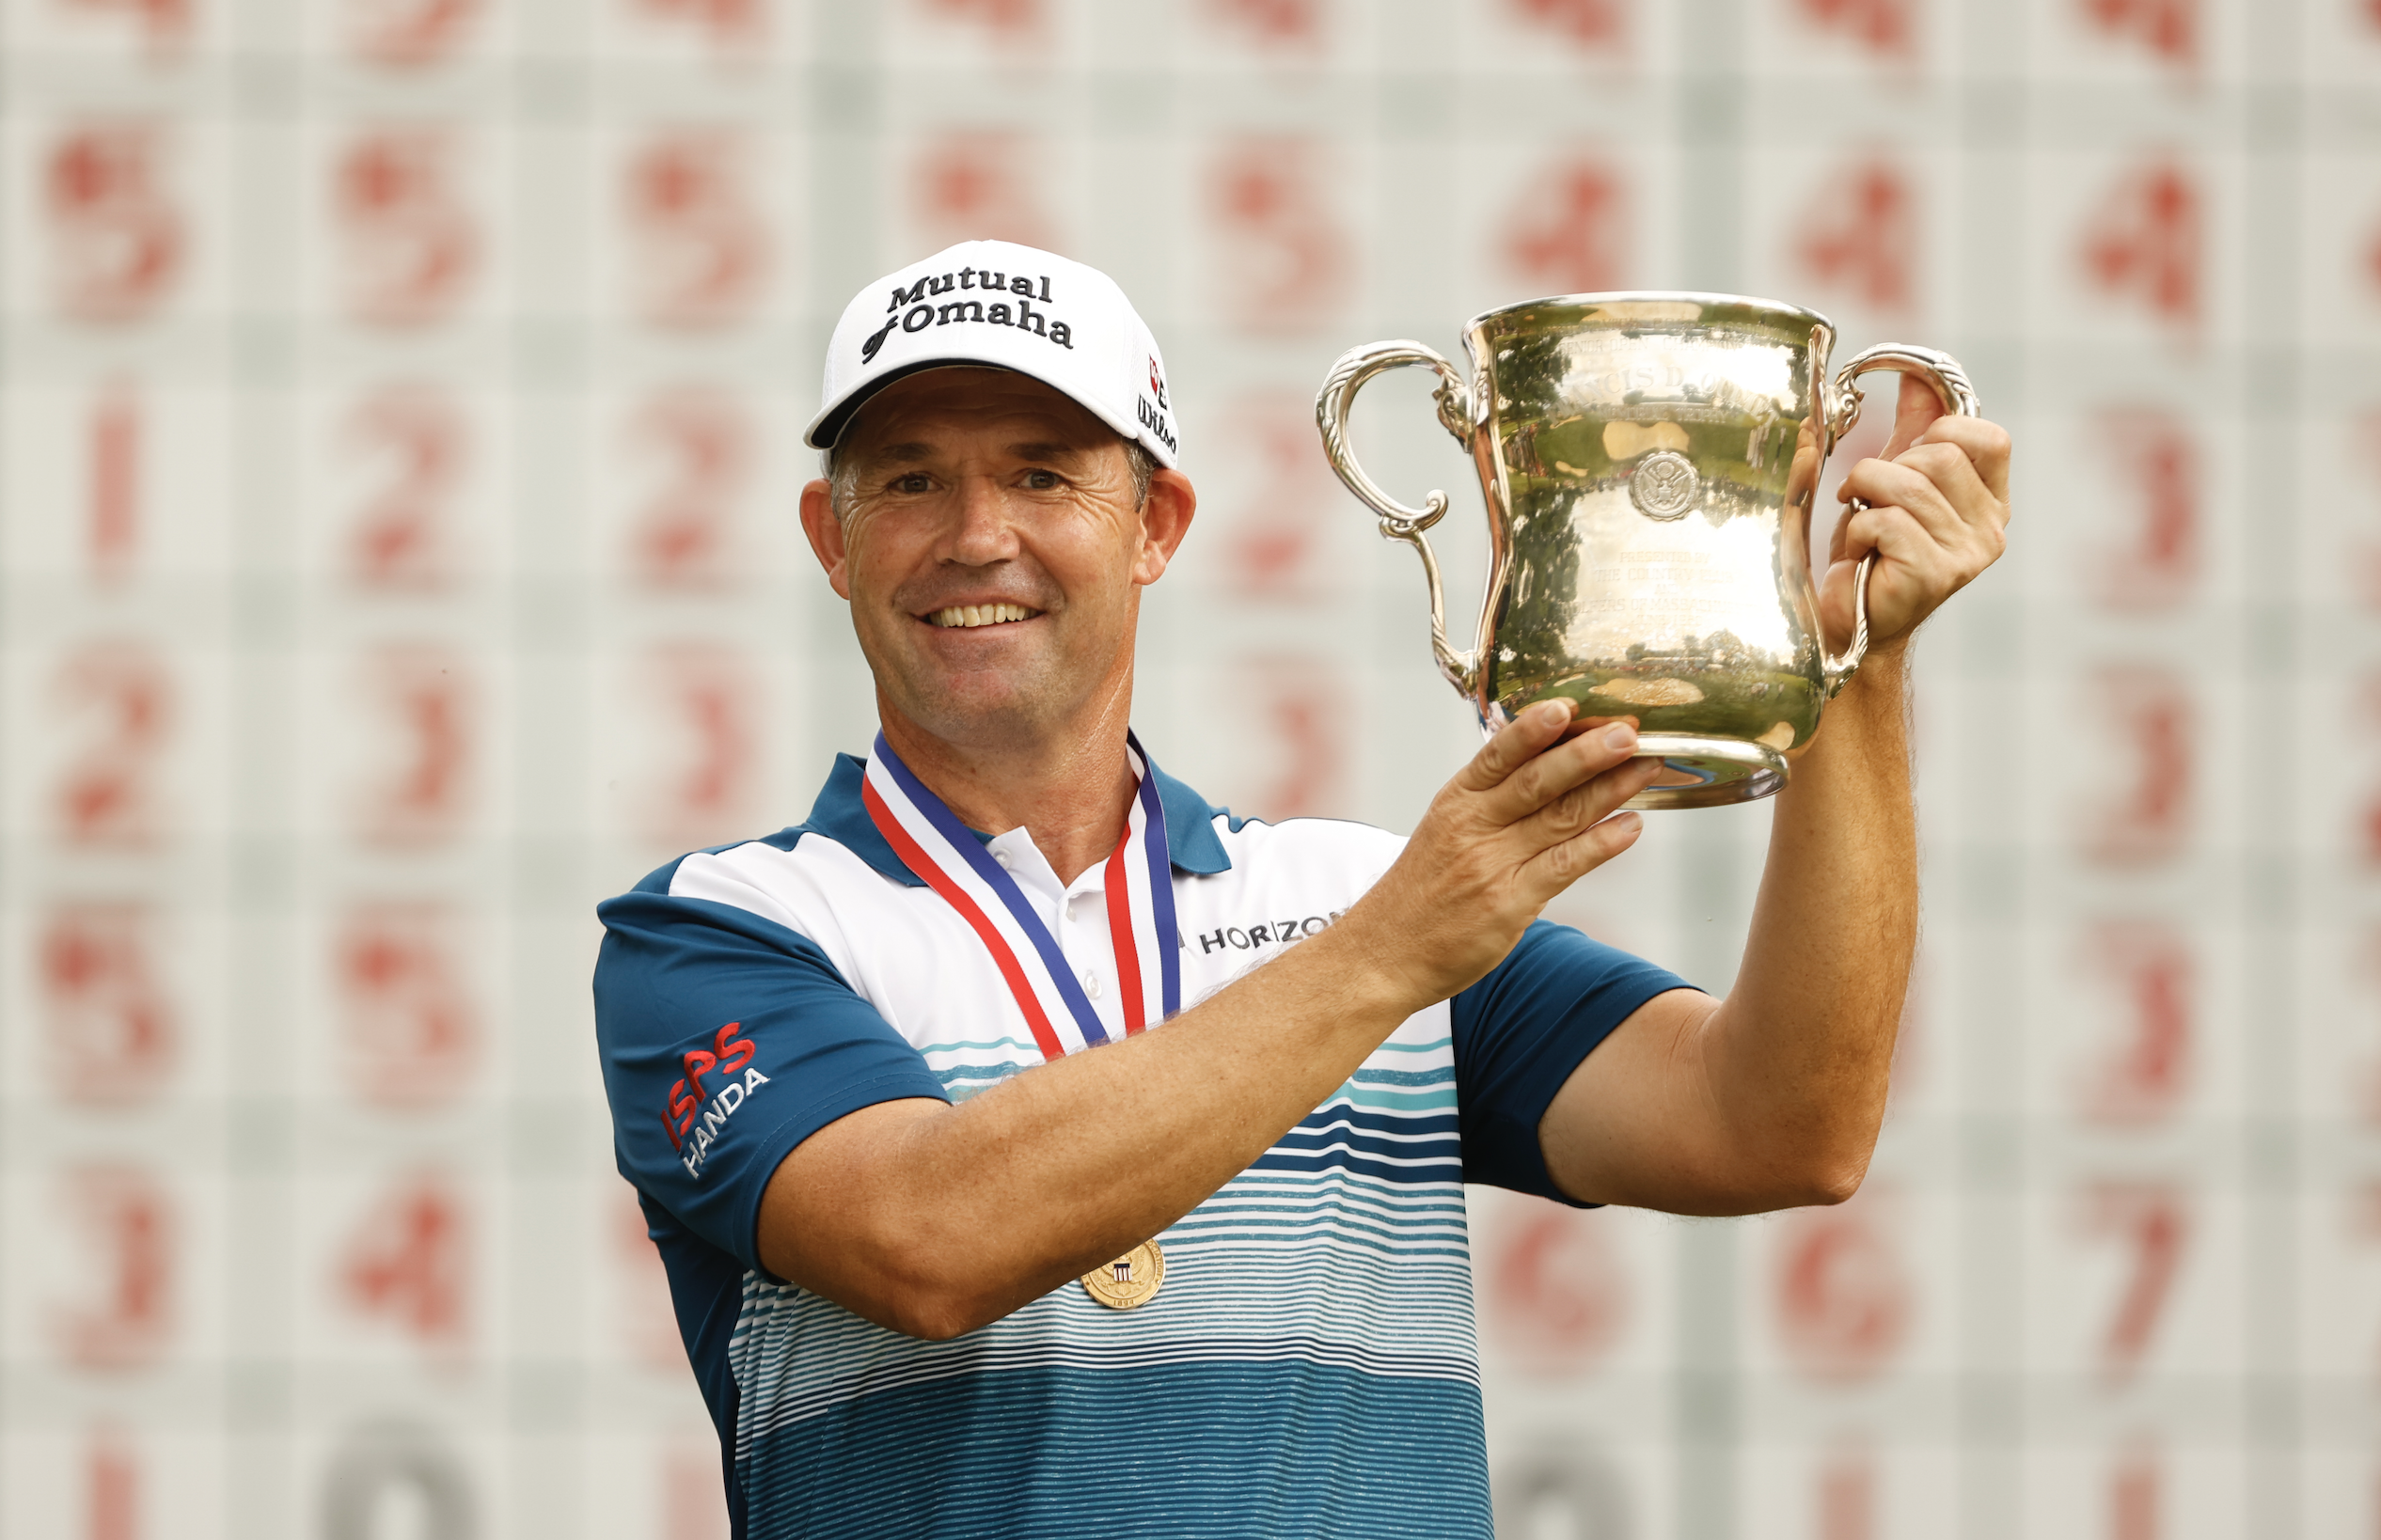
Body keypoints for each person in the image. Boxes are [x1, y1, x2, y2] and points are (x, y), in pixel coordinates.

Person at [592, 239, 2012, 1538]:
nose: (977, 534)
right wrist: (1390, 954)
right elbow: (926, 1239)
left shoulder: (1358, 891)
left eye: (1041, 472)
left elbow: (1782, 1128)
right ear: (830, 539)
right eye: (909, 477)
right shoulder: (722, 929)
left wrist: (1856, 676)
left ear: (1156, 524)